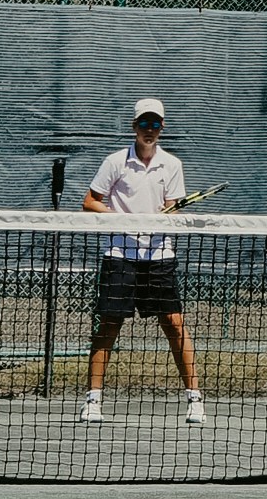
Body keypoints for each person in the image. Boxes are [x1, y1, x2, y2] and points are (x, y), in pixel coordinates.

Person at [81, 99, 204, 427]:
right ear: (134, 127)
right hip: (120, 255)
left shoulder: (171, 165)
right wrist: (119, 218)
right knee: (108, 325)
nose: (149, 130)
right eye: (143, 124)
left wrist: (164, 218)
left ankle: (195, 399)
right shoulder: (115, 162)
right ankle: (93, 400)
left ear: (161, 128)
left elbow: (172, 208)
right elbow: (90, 201)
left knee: (175, 325)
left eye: (155, 125)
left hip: (159, 258)